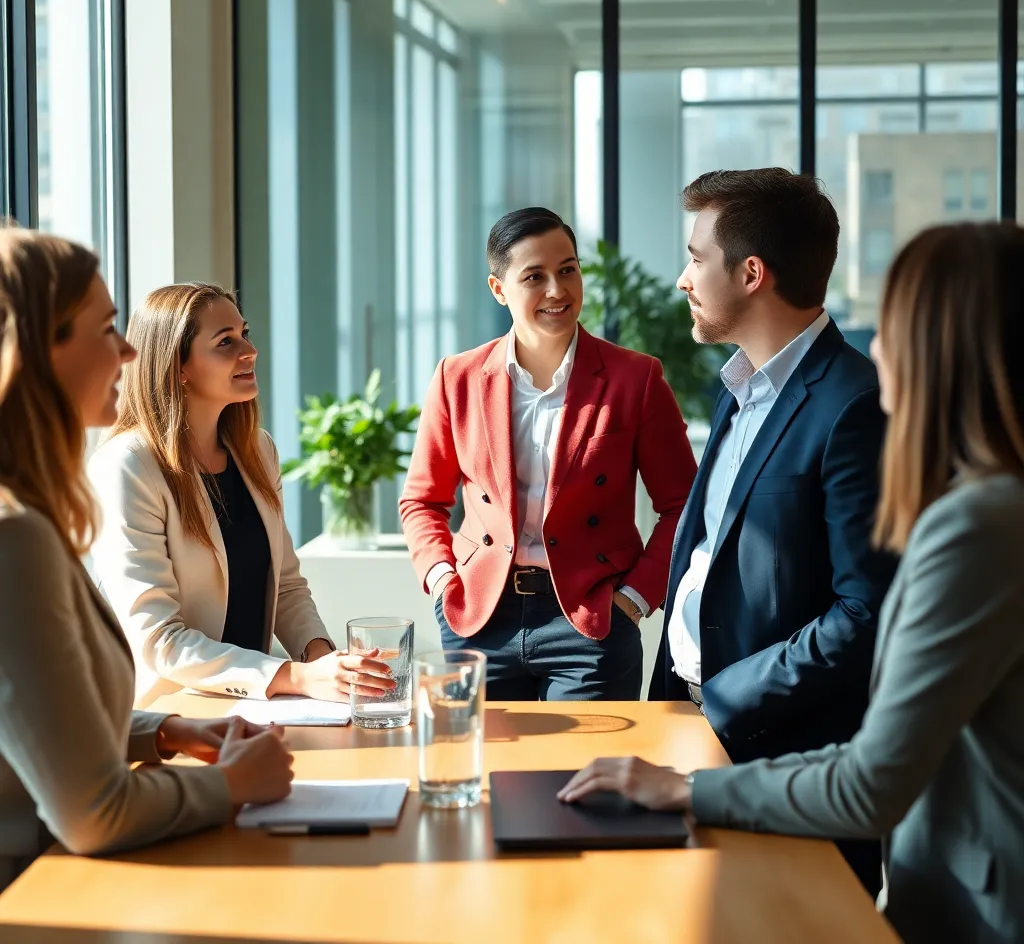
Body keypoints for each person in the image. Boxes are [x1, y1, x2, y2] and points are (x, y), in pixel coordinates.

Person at [560, 221, 1024, 944]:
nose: (878, 348)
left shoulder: (979, 524)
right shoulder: (987, 505)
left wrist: (686, 788)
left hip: (976, 908)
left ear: (945, 349)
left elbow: (872, 777)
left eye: (895, 325)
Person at [0, 230, 293, 890]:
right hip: (36, 896)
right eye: (106, 329)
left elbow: (41, 719)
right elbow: (94, 815)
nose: (130, 352)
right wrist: (231, 786)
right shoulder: (15, 537)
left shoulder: (31, 514)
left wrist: (164, 731)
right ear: (38, 353)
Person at [648, 168, 897, 889]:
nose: (682, 278)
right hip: (687, 732)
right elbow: (708, 555)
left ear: (751, 272)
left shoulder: (855, 406)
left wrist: (719, 700)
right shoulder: (738, 388)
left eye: (696, 257)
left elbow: (865, 614)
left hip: (785, 763)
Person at [400, 207, 697, 701]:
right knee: (487, 772)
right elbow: (422, 500)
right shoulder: (458, 377)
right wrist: (442, 579)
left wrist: (635, 600)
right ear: (500, 290)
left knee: (581, 774)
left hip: (591, 621)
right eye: (534, 277)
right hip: (479, 618)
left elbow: (683, 504)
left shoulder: (636, 379)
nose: (558, 290)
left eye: (568, 269)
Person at [88, 283, 395, 708]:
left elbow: (286, 586)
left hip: (257, 709)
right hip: (173, 713)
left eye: (244, 334)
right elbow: (158, 640)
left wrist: (323, 662)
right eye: (225, 342)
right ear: (178, 365)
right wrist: (297, 677)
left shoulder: (257, 451)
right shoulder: (129, 465)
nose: (249, 351)